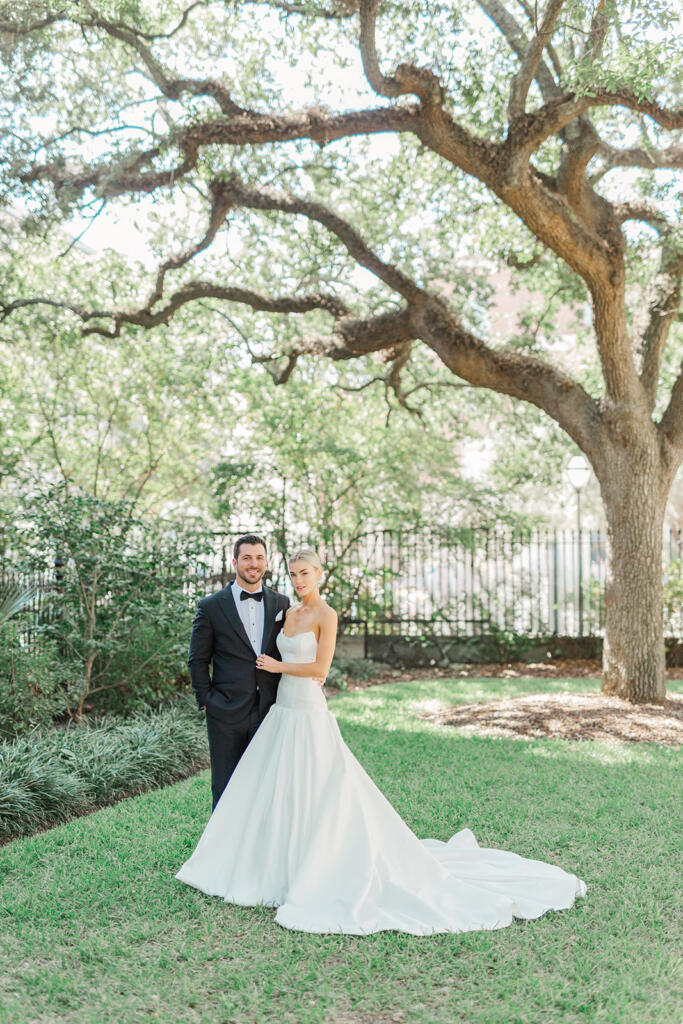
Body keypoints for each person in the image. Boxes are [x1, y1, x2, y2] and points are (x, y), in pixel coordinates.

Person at [176, 547, 587, 935]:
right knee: (275, 787)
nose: (299, 580)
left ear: (319, 574)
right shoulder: (285, 610)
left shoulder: (326, 614)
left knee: (320, 787)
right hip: (280, 710)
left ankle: (321, 864)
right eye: (294, 574)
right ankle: (270, 863)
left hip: (308, 709)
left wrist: (279, 664)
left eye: (306, 573)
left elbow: (320, 665)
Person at [187, 533, 292, 810]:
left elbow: (289, 649)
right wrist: (207, 701)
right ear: (235, 562)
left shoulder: (282, 604)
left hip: (271, 709)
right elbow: (197, 659)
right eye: (247, 557)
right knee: (226, 784)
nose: (253, 564)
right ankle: (222, 849)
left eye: (259, 558)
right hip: (226, 710)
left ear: (266, 562)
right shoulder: (210, 607)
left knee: (267, 784)